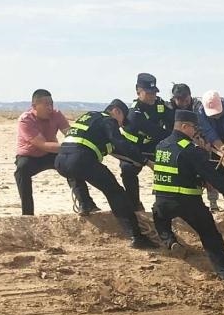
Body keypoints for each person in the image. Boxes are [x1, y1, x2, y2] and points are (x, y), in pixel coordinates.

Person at [152, 109, 224, 280]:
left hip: (162, 200)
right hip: (187, 202)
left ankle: (170, 241)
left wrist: (200, 180)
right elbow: (212, 175)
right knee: (210, 234)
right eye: (194, 128)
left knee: (159, 219)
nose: (196, 132)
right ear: (184, 126)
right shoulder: (190, 149)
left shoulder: (161, 145)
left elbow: (179, 170)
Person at [54, 99, 157, 250]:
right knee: (116, 193)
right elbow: (120, 143)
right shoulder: (108, 120)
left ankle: (85, 204)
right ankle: (136, 237)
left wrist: (137, 160)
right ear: (116, 111)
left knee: (74, 172)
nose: (120, 126)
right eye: (122, 121)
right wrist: (146, 162)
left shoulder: (90, 117)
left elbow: (114, 150)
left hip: (60, 161)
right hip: (80, 159)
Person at [14, 88, 98, 216]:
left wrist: (82, 142)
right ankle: (27, 215)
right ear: (34, 106)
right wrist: (71, 147)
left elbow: (70, 134)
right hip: (30, 156)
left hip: (51, 153)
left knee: (71, 163)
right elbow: (42, 145)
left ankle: (86, 203)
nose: (50, 107)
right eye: (46, 104)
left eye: (51, 104)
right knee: (21, 170)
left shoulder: (56, 114)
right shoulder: (25, 120)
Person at [119, 73, 175, 212]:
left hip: (153, 145)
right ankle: (135, 205)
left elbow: (172, 119)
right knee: (128, 170)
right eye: (148, 93)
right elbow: (158, 132)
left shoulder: (159, 104)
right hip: (133, 147)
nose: (152, 96)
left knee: (167, 166)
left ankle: (164, 203)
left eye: (154, 92)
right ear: (138, 91)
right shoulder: (135, 113)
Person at [169, 83, 221, 211]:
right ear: (174, 99)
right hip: (179, 144)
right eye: (179, 100)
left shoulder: (198, 107)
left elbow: (205, 126)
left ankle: (213, 202)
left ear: (190, 96)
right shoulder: (169, 108)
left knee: (207, 170)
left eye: (185, 99)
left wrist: (204, 141)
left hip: (199, 142)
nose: (183, 103)